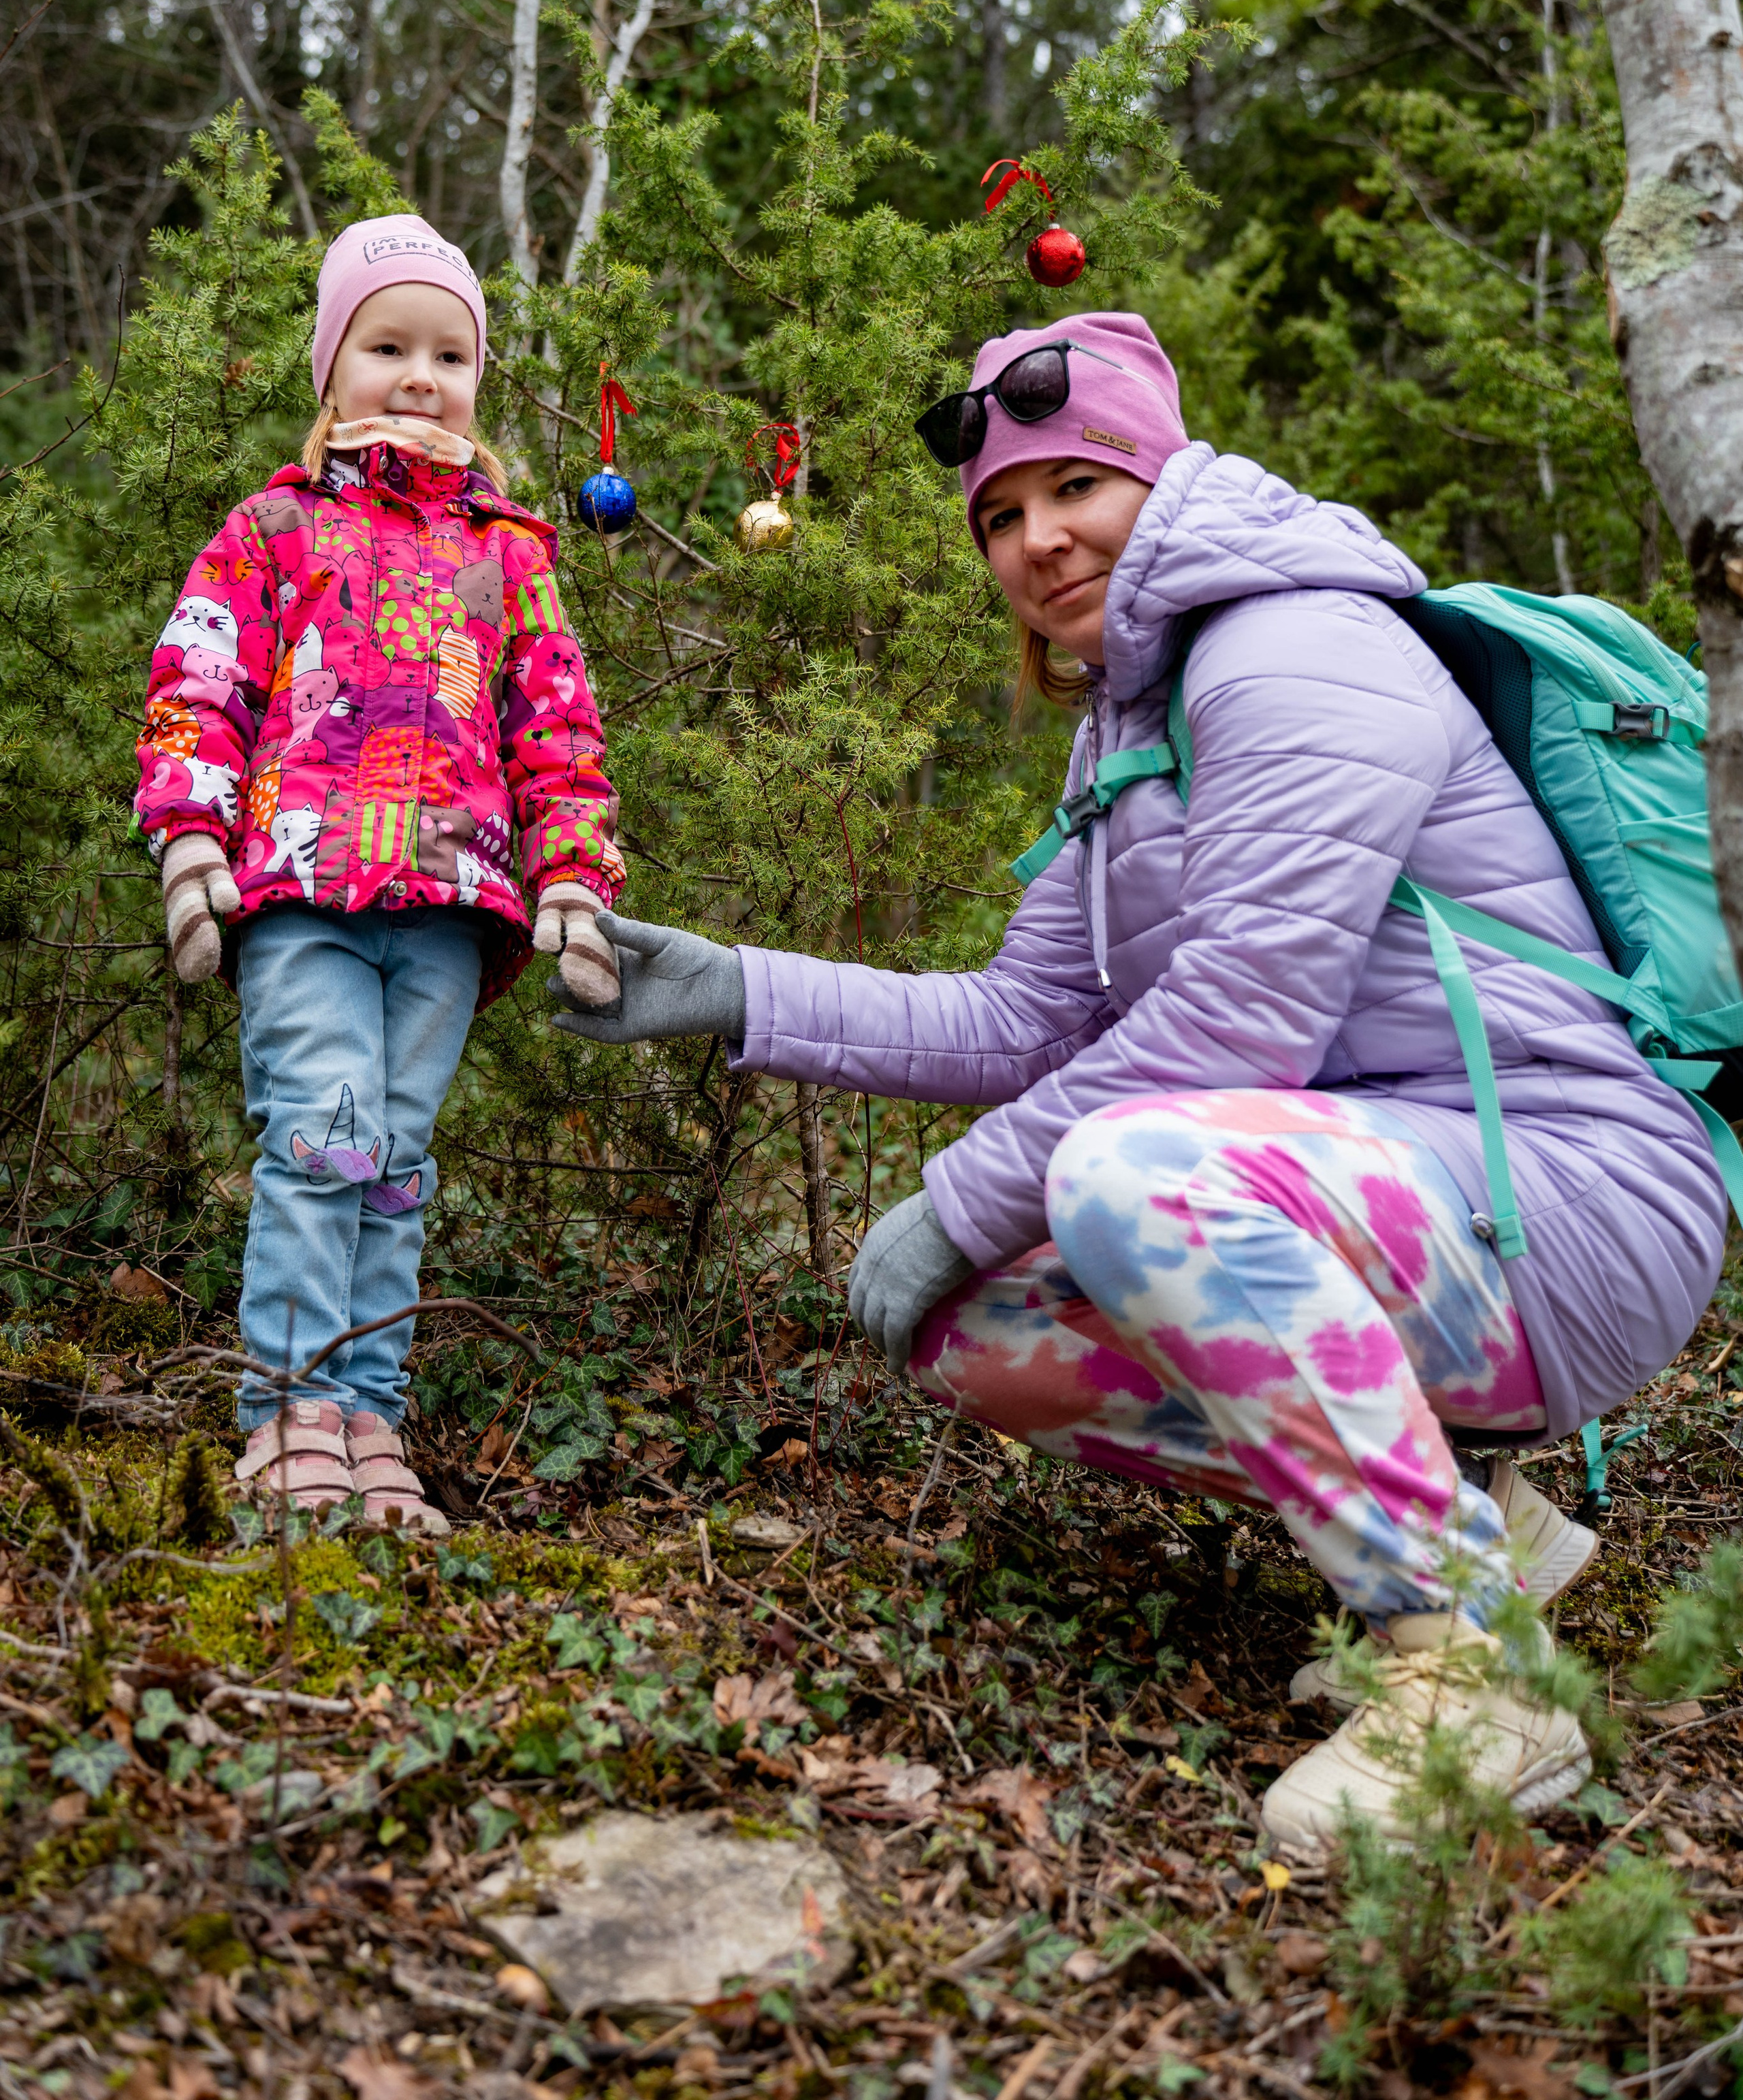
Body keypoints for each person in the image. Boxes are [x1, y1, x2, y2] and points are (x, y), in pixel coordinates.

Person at [549, 311, 1726, 1854]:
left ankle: (1470, 1675)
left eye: (1073, 489)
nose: (1037, 543)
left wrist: (955, 1194)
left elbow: (1234, 1027)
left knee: (1131, 1178)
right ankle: (1472, 1524)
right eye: (1000, 518)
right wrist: (730, 986)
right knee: (981, 1324)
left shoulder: (1296, 646)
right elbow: (1027, 1019)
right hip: (1393, 1193)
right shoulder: (1128, 725)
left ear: (1157, 478)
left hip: (1572, 1200)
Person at [136, 214, 624, 1536]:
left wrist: (571, 877)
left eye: (449, 354)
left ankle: (364, 1417)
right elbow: (198, 683)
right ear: (330, 366)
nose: (421, 376)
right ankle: (283, 1413)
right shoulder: (276, 526)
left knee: (395, 1158)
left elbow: (555, 727)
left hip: (454, 913)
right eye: (388, 345)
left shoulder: (511, 551)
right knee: (325, 1131)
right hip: (302, 896)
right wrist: (191, 844)